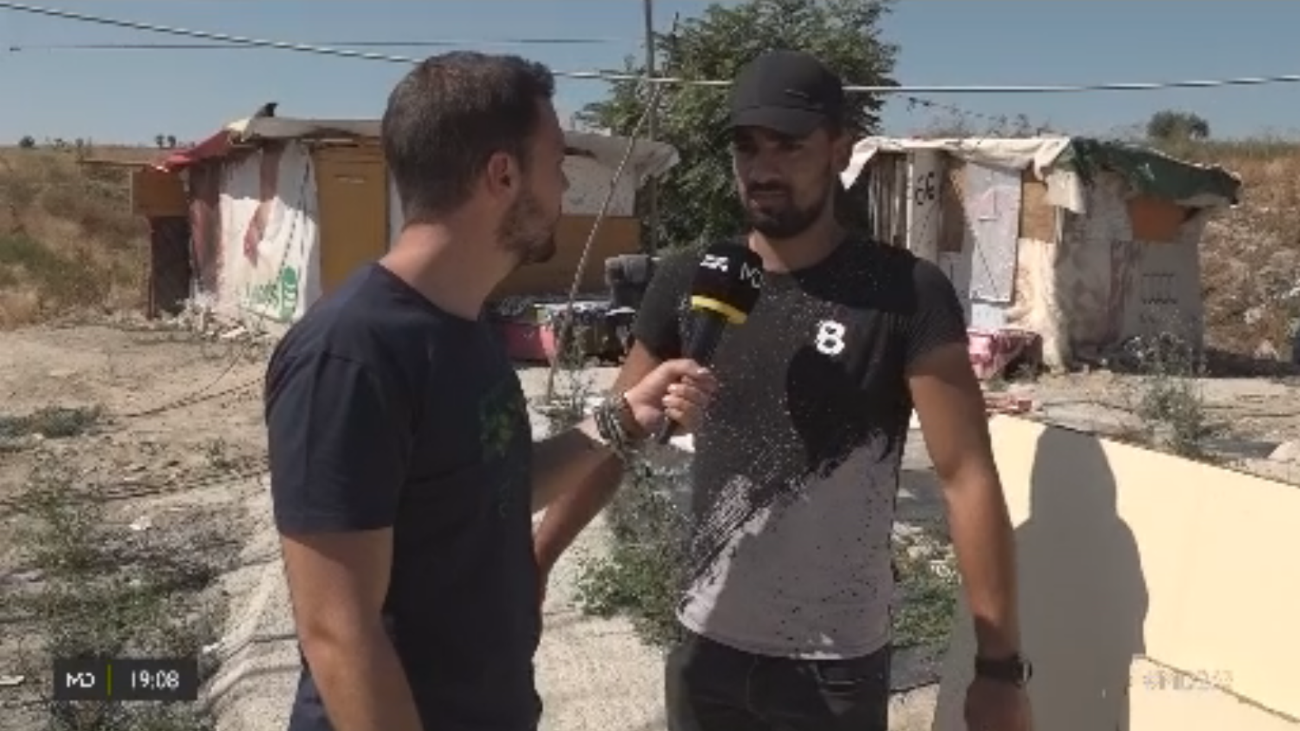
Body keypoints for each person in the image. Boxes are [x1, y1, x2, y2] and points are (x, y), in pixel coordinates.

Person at [532, 49, 1033, 731]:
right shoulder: (690, 280)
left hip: (834, 667)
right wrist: (536, 559)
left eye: (788, 145)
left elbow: (967, 476)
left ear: (839, 149)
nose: (762, 168)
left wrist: (999, 668)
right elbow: (615, 438)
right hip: (704, 649)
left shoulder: (902, 293)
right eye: (747, 146)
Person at [263, 51, 717, 731]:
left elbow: (492, 486)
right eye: (556, 164)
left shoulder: (464, 326)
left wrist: (625, 416)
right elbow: (339, 631)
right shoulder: (351, 353)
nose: (564, 188)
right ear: (502, 174)